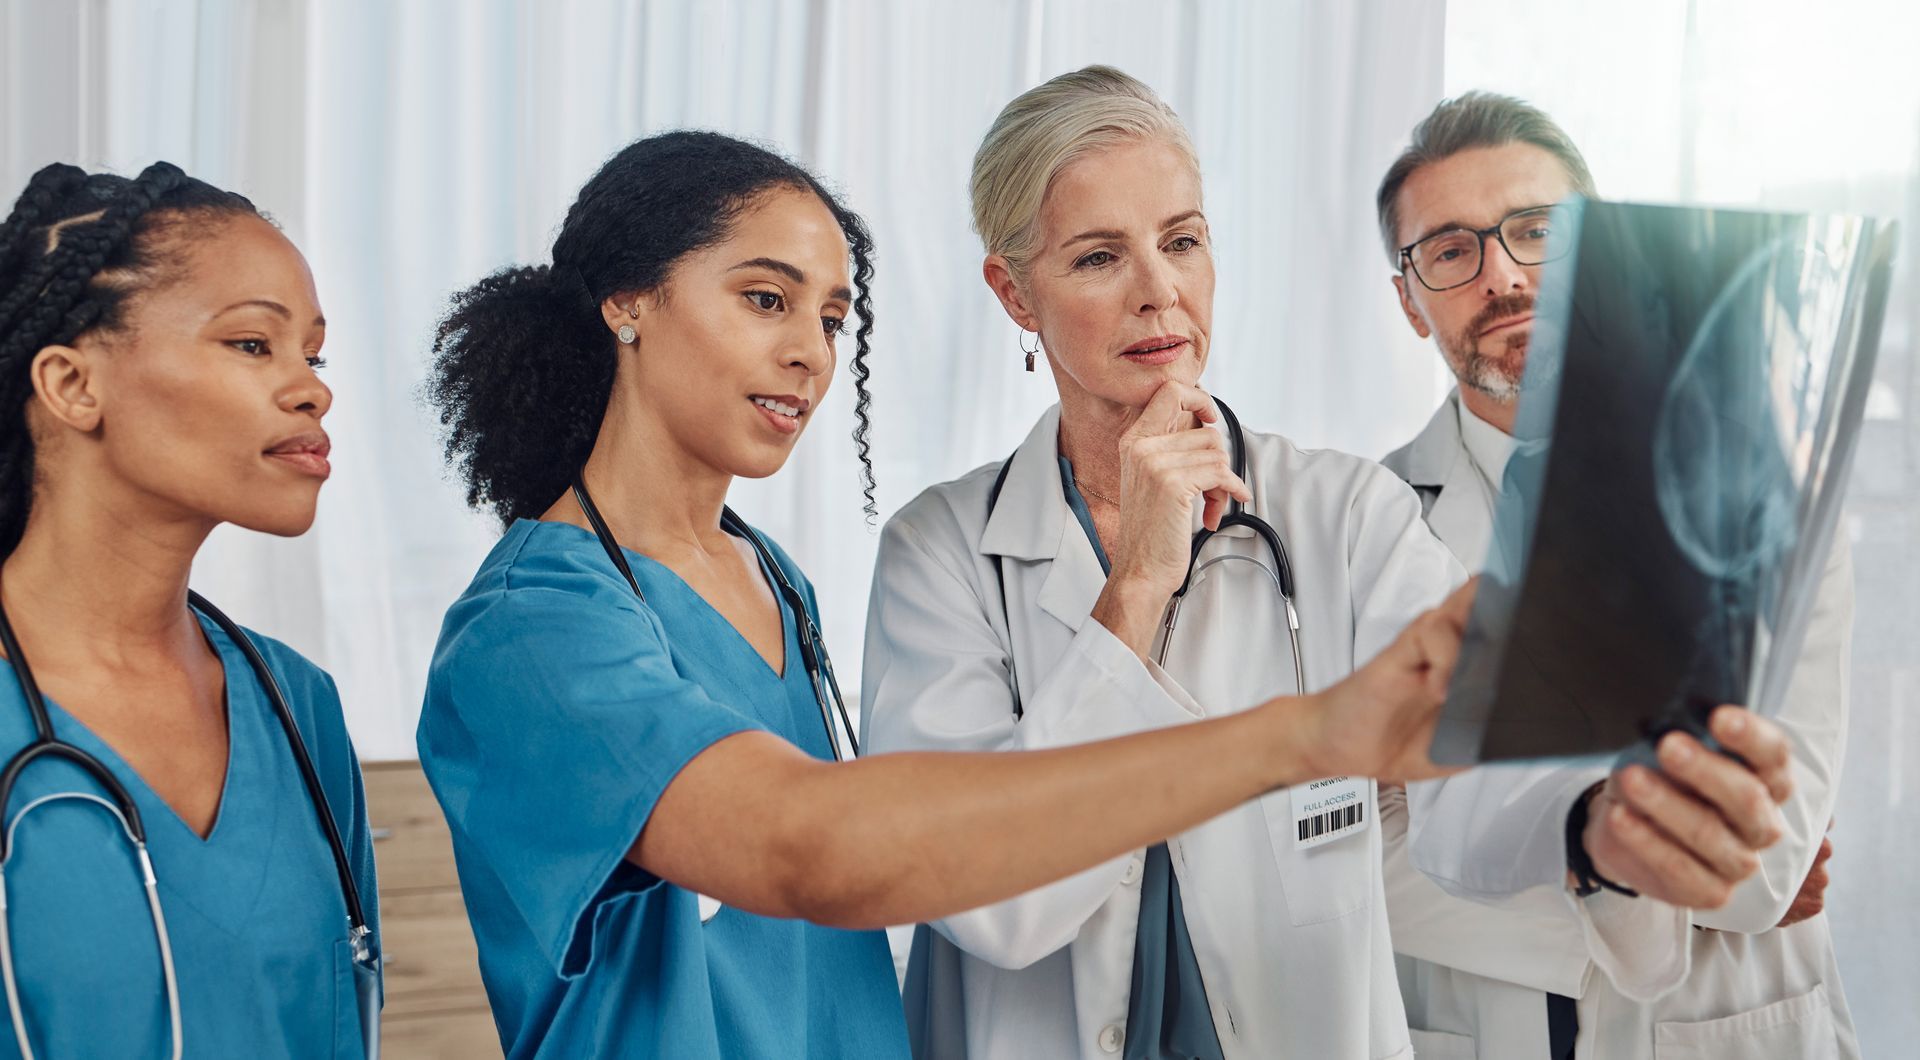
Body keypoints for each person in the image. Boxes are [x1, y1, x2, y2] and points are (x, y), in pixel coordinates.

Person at [416, 130, 1483, 1060]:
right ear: (629, 302)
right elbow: (818, 849)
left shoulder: (764, 576)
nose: (810, 352)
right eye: (764, 298)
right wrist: (1296, 738)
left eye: (834, 317)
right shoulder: (534, 628)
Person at [861, 65, 1800, 1060]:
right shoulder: (941, 555)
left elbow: (1471, 772)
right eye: (1099, 258)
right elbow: (998, 908)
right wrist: (1134, 585)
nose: (1160, 290)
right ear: (1015, 293)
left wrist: (1598, 826)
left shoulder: (1348, 515)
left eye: (1183, 240)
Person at [1378, 90, 1857, 1060]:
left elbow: (1770, 860)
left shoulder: (1756, 481)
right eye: (1451, 249)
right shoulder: (1360, 520)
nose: (1505, 278)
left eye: (1537, 232)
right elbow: (1362, 868)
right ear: (1410, 297)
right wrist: (1637, 865)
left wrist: (1512, 835)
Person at [0, 162, 380, 1057]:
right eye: (254, 345)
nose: (311, 389)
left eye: (313, 355)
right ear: (72, 385)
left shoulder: (297, 708)